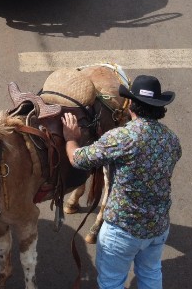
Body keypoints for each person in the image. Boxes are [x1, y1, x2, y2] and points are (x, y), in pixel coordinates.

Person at [61, 75, 181, 289]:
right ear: (158, 107)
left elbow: (78, 159)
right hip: (158, 227)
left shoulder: (121, 137)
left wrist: (71, 138)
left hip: (122, 229)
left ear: (131, 105)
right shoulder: (172, 139)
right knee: (151, 273)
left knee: (112, 282)